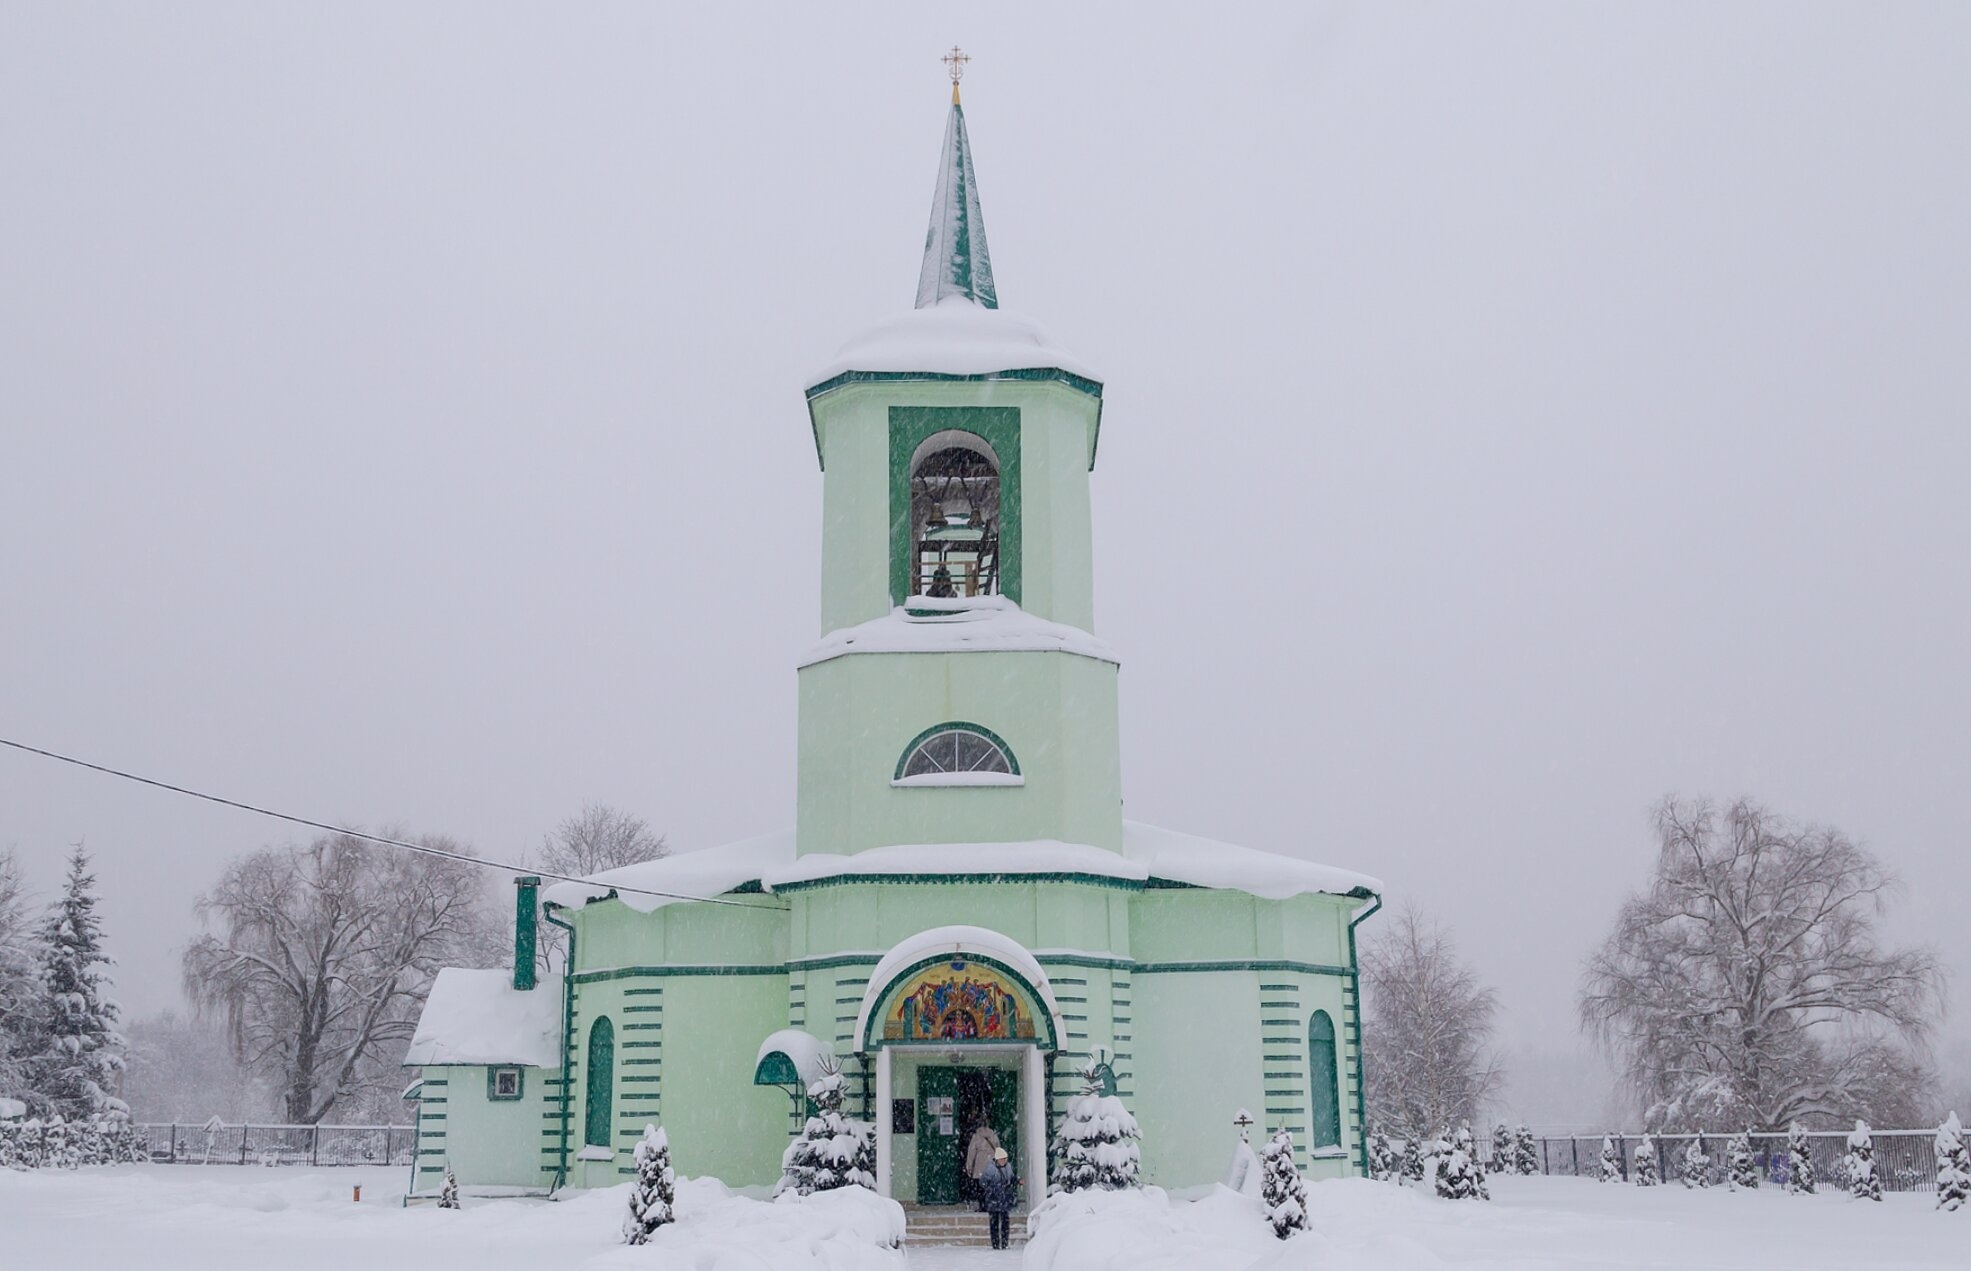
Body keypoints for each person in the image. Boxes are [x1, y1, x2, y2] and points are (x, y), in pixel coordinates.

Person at [979, 1146, 1018, 1250]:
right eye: (1002, 1159)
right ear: (997, 1159)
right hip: (994, 1198)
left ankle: (1004, 1243)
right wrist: (993, 1188)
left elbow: (1011, 1178)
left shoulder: (1008, 1167)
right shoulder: (990, 1169)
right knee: (994, 1222)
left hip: (1004, 1198)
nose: (1004, 1161)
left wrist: (1017, 1181)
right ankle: (995, 1244)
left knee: (1005, 1222)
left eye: (1005, 1159)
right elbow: (983, 1182)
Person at [963, 1122, 1001, 1207]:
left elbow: (971, 1152)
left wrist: (969, 1166)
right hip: (991, 1162)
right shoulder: (994, 1136)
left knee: (980, 1187)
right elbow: (998, 1149)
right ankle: (991, 1204)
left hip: (980, 1163)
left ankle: (982, 1205)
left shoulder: (976, 1136)